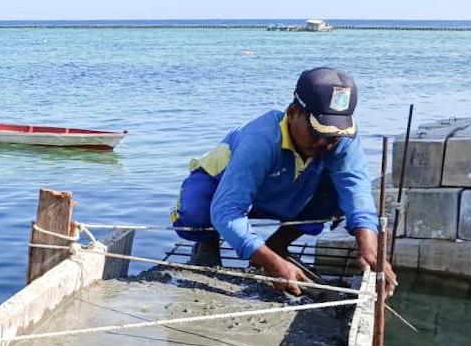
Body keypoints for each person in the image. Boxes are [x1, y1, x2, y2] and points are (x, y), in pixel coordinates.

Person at [170, 67, 397, 297]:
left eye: (333, 136)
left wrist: (369, 246)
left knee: (339, 194)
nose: (324, 142)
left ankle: (278, 245)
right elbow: (226, 210)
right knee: (196, 213)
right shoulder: (261, 139)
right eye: (317, 131)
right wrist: (269, 262)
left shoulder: (342, 138)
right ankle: (207, 243)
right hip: (221, 188)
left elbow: (356, 190)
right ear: (293, 112)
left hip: (285, 192)